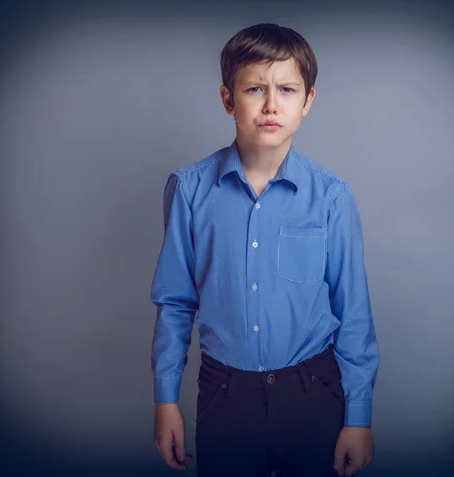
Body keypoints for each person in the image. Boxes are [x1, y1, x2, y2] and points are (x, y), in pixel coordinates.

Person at [151, 23, 380, 477]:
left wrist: (358, 417)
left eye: (288, 89)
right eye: (255, 88)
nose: (272, 104)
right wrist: (166, 399)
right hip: (224, 395)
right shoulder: (190, 190)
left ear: (307, 101)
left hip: (312, 392)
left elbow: (352, 312)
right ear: (227, 99)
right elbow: (176, 303)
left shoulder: (331, 197)